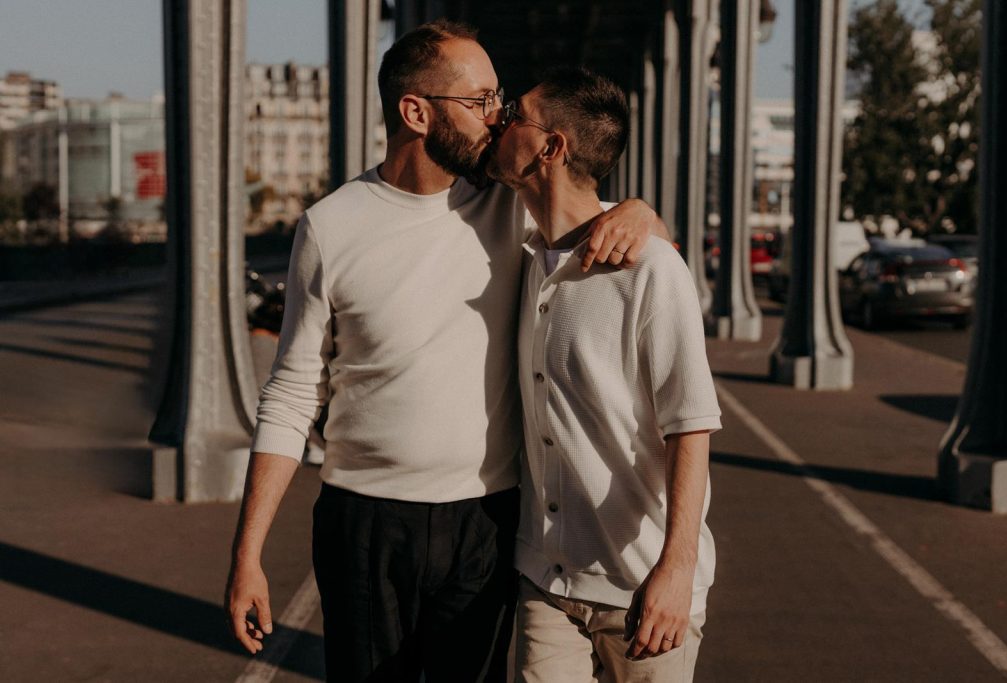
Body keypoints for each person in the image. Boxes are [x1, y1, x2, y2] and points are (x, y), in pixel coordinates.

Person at [224, 20, 666, 683]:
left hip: (484, 520)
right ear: (415, 111)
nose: (498, 118)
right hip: (362, 519)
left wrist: (638, 208)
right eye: (481, 100)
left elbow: (625, 232)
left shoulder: (511, 208)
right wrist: (247, 551)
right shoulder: (331, 225)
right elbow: (291, 393)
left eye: (501, 99)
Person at [486, 66, 721, 682]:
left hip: (643, 585)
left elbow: (690, 427)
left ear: (551, 146)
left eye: (515, 114)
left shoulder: (650, 271)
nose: (499, 122)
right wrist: (638, 209)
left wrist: (676, 569)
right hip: (545, 577)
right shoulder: (522, 248)